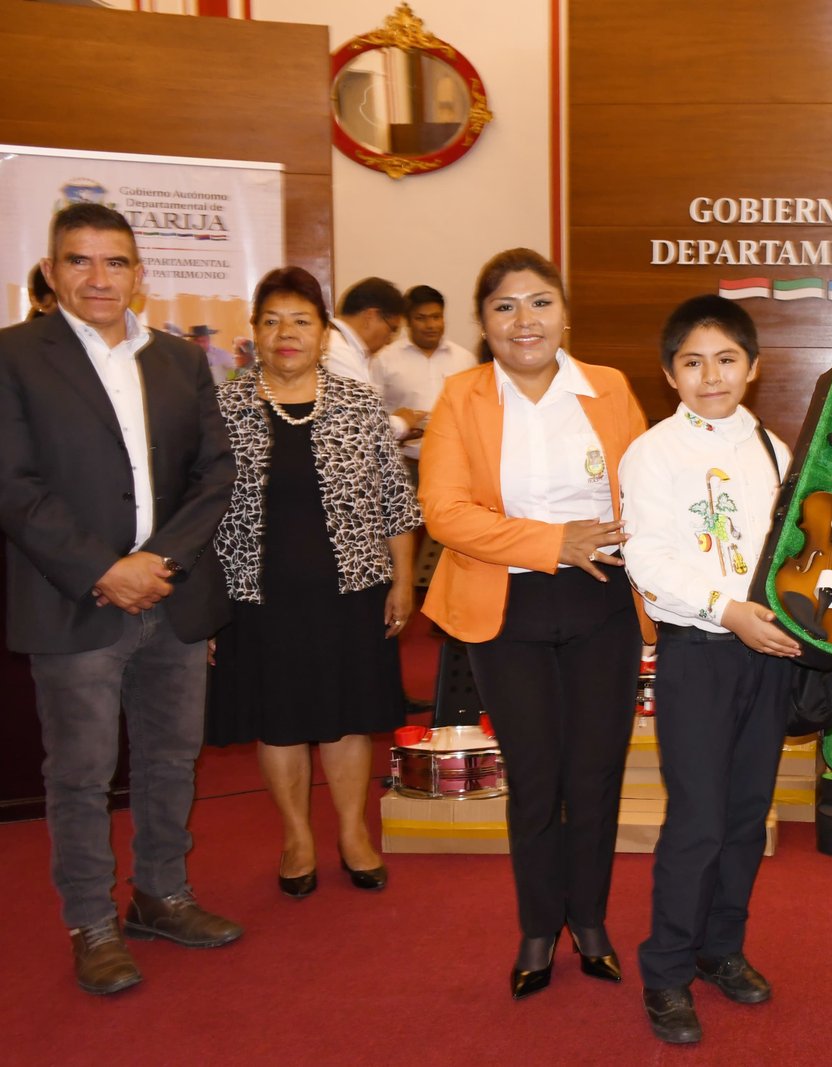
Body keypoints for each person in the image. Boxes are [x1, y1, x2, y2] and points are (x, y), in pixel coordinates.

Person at [0, 203, 241, 996]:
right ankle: (92, 922)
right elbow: (13, 485)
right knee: (81, 772)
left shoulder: (179, 359)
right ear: (51, 271)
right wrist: (106, 569)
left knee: (171, 757)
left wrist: (157, 561)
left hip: (174, 594)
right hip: (75, 602)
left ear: (140, 274)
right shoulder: (13, 356)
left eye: (115, 262)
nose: (99, 277)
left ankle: (162, 894)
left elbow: (214, 472)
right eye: (80, 260)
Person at [418, 247, 652, 1001]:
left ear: (565, 314)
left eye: (540, 302)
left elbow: (646, 490)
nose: (525, 320)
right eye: (505, 306)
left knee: (596, 772)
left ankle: (589, 919)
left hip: (602, 603)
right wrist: (555, 542)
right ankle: (537, 926)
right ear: (484, 323)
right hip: (507, 605)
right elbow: (445, 513)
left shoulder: (608, 388)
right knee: (535, 776)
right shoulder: (461, 396)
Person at [207, 266, 421, 897]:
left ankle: (353, 833)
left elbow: (395, 501)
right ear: (254, 332)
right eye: (272, 321)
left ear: (324, 333)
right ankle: (297, 837)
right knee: (278, 720)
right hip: (257, 594)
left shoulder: (358, 404)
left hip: (350, 590)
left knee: (347, 717)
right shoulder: (223, 409)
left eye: (301, 321)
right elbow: (201, 513)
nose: (286, 334)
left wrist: (403, 582)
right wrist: (205, 608)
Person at [621, 295, 800, 1045]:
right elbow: (648, 559)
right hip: (699, 652)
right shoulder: (653, 452)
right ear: (670, 374)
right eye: (693, 362)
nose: (711, 375)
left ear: (752, 367)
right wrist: (728, 611)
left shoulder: (774, 448)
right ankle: (666, 971)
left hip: (770, 655)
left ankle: (720, 947)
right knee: (695, 820)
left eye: (726, 359)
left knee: (746, 814)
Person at [370, 284, 477, 464]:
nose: (431, 325)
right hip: (404, 463)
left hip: (455, 463)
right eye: (421, 318)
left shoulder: (465, 359)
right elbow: (372, 415)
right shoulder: (384, 359)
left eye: (436, 317)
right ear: (408, 321)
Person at [322, 276, 422, 441]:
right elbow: (362, 425)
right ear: (370, 317)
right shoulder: (336, 350)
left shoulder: (346, 348)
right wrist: (403, 422)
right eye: (392, 330)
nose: (389, 341)